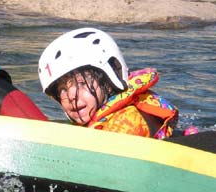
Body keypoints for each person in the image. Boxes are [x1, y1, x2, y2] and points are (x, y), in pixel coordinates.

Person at [38, 28, 179, 139]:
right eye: (62, 89)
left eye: (81, 83)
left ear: (108, 80)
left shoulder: (129, 121)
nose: (71, 96)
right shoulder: (99, 121)